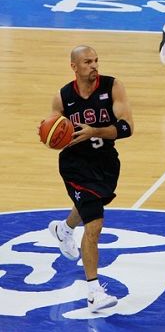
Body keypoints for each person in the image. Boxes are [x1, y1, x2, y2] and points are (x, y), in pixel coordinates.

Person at [45, 45, 134, 312]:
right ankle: (94, 291)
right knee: (94, 225)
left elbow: (127, 127)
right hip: (76, 167)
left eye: (96, 61)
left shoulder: (112, 86)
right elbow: (52, 135)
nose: (94, 66)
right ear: (74, 66)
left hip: (106, 164)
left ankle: (64, 229)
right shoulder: (62, 98)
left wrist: (93, 130)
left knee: (91, 205)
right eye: (87, 62)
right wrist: (54, 134)